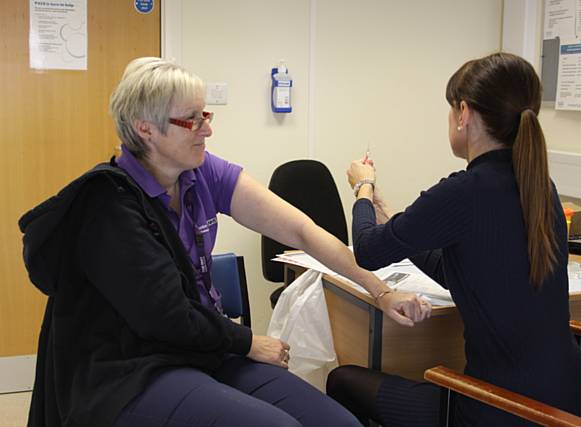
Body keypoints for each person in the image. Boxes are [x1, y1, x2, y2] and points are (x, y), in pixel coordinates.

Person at [18, 57, 431, 427]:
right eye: (192, 120)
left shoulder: (200, 172)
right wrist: (250, 342)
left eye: (206, 114)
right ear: (146, 129)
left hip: (202, 347)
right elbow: (166, 318)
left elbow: (301, 230)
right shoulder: (109, 204)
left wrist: (381, 292)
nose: (208, 129)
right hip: (134, 366)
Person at [327, 52, 581, 426]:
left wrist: (363, 189)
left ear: (464, 113)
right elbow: (465, 274)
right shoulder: (538, 186)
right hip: (565, 404)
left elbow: (367, 251)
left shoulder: (464, 191)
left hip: (498, 408)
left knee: (342, 380)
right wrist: (397, 228)